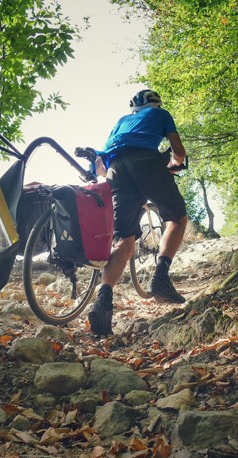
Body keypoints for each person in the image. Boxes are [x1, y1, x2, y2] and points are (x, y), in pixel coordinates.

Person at [88, 89, 189, 337]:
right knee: (177, 218)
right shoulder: (161, 114)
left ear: (134, 106)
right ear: (156, 103)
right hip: (147, 162)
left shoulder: (121, 122)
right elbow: (179, 152)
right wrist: (174, 165)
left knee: (124, 239)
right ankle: (161, 278)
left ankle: (103, 300)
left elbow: (101, 166)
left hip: (116, 170)